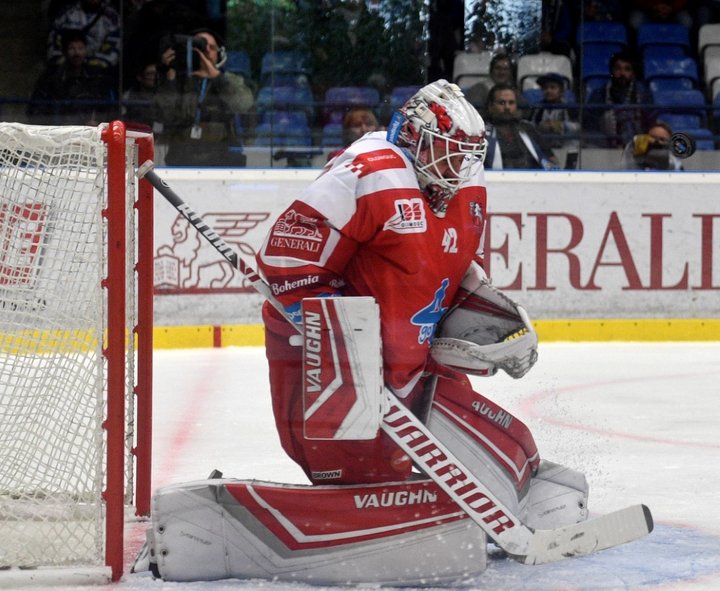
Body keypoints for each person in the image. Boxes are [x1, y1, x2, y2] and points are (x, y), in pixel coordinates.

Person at [244, 80, 585, 581]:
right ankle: (363, 521)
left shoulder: (467, 185)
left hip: (411, 359)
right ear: (412, 135)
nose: (457, 167)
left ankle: (455, 504)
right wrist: (347, 348)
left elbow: (456, 267)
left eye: (467, 155)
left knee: (510, 446)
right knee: (358, 466)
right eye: (447, 153)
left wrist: (493, 328)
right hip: (325, 361)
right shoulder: (367, 173)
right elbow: (286, 262)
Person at [153, 28, 254, 167]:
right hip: (182, 161)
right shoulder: (179, 80)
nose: (205, 52)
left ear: (219, 54)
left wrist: (217, 78)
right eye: (198, 47)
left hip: (223, 161)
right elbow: (164, 116)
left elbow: (244, 104)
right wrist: (169, 77)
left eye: (211, 48)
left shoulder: (230, 80)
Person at [28, 28, 115, 126]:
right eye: (72, 49)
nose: (77, 53)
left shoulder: (96, 76)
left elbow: (108, 108)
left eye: (80, 48)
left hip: (89, 132)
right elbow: (36, 110)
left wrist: (99, 123)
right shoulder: (50, 77)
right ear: (64, 51)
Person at [582, 51, 655, 148]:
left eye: (627, 69)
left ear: (633, 73)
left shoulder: (643, 93)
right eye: (618, 69)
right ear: (612, 71)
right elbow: (590, 123)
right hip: (606, 147)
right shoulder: (600, 93)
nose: (622, 73)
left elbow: (650, 121)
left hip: (638, 146)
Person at [485, 83, 559, 170]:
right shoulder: (480, 131)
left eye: (511, 103)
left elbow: (552, 159)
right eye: (501, 103)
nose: (507, 107)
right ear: (490, 106)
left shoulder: (528, 128)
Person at [46, 0, 120, 72]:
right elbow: (54, 43)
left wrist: (91, 66)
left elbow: (113, 50)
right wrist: (67, 62)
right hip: (66, 70)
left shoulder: (112, 17)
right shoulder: (67, 13)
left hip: (97, 72)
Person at [528, 72, 580, 149]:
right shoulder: (538, 108)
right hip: (545, 146)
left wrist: (559, 125)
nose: (548, 91)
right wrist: (540, 126)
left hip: (566, 145)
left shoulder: (569, 107)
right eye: (545, 88)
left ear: (561, 91)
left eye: (552, 87)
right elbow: (531, 125)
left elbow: (578, 126)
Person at [121, 61, 162, 130]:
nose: (153, 77)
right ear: (139, 77)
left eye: (155, 74)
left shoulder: (161, 94)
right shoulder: (128, 95)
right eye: (150, 74)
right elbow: (123, 118)